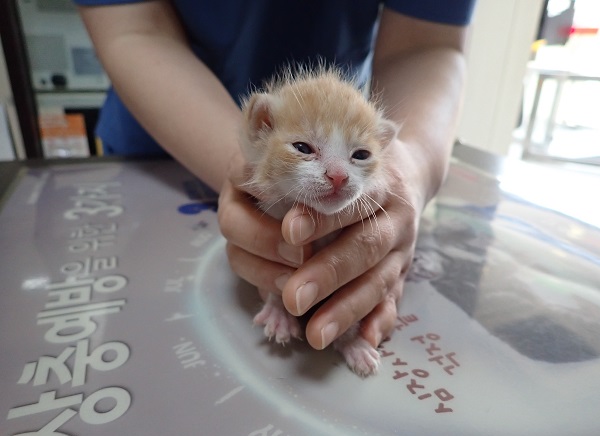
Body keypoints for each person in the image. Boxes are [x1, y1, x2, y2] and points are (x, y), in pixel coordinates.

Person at [75, 0, 475, 352]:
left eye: (360, 156)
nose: (338, 177)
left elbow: (429, 44)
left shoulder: (363, 151)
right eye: (305, 150)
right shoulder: (266, 138)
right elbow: (133, 30)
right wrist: (249, 170)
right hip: (154, 153)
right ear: (262, 126)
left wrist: (416, 167)